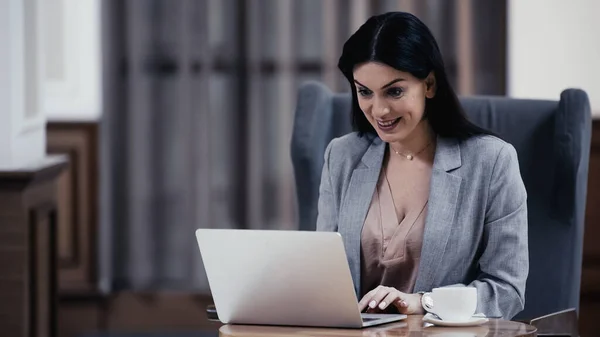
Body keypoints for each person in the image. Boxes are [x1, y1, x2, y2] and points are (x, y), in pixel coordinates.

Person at [316, 12, 528, 320]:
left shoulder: (492, 162)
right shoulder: (342, 156)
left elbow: (507, 290)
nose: (379, 110)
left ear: (429, 84)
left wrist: (423, 303)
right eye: (365, 92)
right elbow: (323, 276)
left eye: (395, 91)